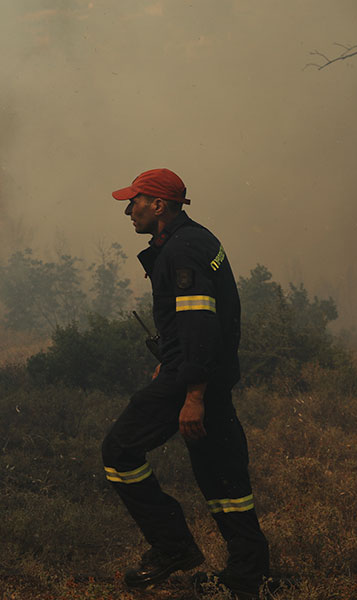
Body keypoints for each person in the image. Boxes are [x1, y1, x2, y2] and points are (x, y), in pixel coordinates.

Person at [101, 168, 271, 598]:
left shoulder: (182, 251)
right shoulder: (198, 239)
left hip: (195, 378)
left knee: (120, 450)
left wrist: (192, 392)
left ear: (158, 205)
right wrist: (174, 359)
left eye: (134, 201)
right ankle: (248, 577)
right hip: (206, 371)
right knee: (221, 475)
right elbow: (200, 323)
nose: (128, 210)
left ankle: (171, 546)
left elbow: (199, 324)